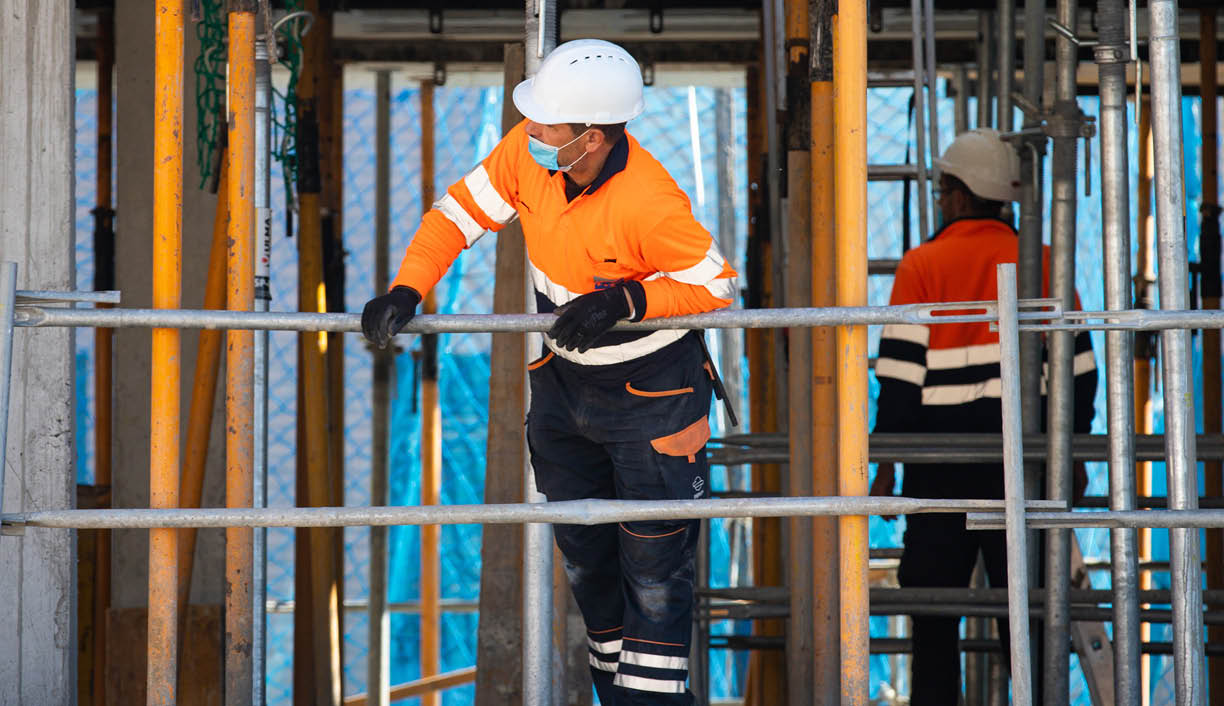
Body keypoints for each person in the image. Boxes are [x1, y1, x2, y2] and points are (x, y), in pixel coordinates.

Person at [360, 39, 737, 705]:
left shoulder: (649, 200)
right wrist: (407, 290)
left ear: (590, 139)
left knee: (654, 576)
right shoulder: (528, 156)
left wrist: (629, 299)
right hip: (564, 393)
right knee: (589, 568)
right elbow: (455, 216)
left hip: (654, 399)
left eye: (546, 126)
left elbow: (715, 285)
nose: (530, 132)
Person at [870, 128, 1097, 705]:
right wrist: (1072, 449)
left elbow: (899, 380)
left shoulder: (922, 265)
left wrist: (888, 461)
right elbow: (1081, 373)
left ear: (960, 193)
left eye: (945, 188)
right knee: (1024, 613)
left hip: (938, 467)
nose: (942, 200)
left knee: (934, 612)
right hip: (1024, 466)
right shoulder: (1045, 262)